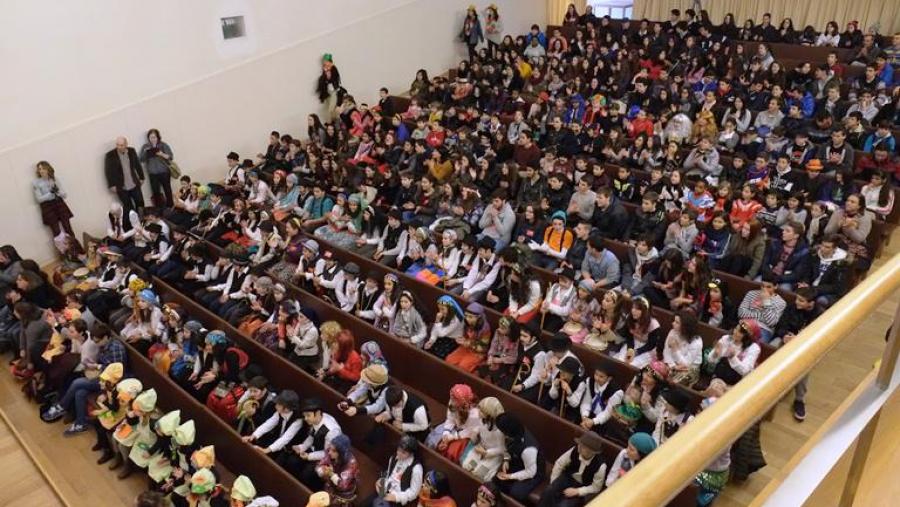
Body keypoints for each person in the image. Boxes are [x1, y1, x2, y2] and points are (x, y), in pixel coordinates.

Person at [538, 432, 608, 507]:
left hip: (583, 486)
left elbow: (596, 487)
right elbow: (559, 464)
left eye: (582, 446)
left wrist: (578, 491)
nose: (579, 447)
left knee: (564, 506)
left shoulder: (601, 466)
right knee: (548, 491)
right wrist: (554, 482)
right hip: (568, 477)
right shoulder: (574, 450)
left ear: (591, 451)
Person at [288, 398, 343, 490]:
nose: (305, 419)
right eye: (304, 416)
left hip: (328, 457)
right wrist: (302, 447)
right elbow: (312, 436)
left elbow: (327, 453)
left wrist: (309, 456)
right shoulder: (315, 420)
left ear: (317, 413)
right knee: (292, 461)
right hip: (316, 449)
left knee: (307, 474)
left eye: (308, 416)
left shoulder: (331, 431)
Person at [494, 413, 544, 502]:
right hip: (519, 461)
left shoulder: (528, 450)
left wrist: (510, 476)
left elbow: (530, 472)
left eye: (503, 432)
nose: (502, 434)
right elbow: (509, 448)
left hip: (534, 471)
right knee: (497, 480)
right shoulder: (516, 431)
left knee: (516, 492)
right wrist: (506, 459)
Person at [32, 161, 80, 249]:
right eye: (39, 169)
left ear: (48, 169)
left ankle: (77, 249)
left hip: (59, 203)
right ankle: (64, 254)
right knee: (57, 232)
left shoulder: (54, 179)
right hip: (47, 207)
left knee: (68, 228)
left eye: (43, 168)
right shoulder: (36, 183)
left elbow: (64, 194)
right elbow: (39, 199)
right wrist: (50, 193)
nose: (41, 171)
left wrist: (57, 191)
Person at [371, 434, 423, 507]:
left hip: (398, 497)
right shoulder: (393, 457)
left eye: (403, 452)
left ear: (411, 453)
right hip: (386, 490)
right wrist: (381, 481)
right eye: (398, 450)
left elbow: (414, 493)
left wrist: (396, 497)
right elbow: (389, 474)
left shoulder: (416, 468)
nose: (399, 453)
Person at [105, 136, 146, 216]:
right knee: (128, 207)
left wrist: (141, 177)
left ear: (126, 144)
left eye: (121, 145)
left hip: (134, 184)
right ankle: (134, 223)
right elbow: (108, 171)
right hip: (121, 186)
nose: (119, 147)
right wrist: (111, 185)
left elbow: (137, 164)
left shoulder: (131, 151)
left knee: (140, 203)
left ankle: (142, 220)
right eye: (117, 145)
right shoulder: (110, 155)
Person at [315, 433, 359, 506]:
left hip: (343, 492)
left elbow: (343, 486)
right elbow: (319, 465)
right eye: (330, 449)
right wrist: (322, 471)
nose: (329, 452)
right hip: (330, 485)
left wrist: (331, 474)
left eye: (333, 451)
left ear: (341, 452)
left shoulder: (351, 464)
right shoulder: (330, 452)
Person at [140, 128, 176, 208]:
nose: (153, 139)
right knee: (156, 192)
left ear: (158, 137)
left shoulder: (163, 145)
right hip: (152, 173)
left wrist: (161, 154)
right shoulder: (145, 146)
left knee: (167, 190)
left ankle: (171, 206)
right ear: (148, 138)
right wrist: (146, 152)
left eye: (154, 137)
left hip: (164, 172)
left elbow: (170, 157)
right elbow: (141, 159)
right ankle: (159, 209)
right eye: (151, 137)